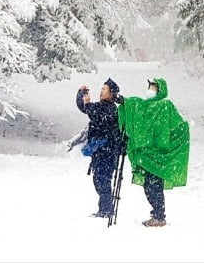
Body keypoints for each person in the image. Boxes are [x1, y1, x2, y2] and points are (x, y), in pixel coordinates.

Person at [117, 77, 190, 227]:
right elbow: (136, 105)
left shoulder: (165, 106)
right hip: (149, 155)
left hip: (159, 156)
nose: (150, 90)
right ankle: (157, 214)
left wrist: (170, 143)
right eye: (149, 87)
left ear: (160, 90)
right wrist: (123, 101)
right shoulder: (146, 106)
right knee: (148, 186)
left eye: (153, 87)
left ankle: (159, 216)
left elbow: (180, 126)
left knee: (154, 186)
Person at [76, 78, 122, 218]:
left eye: (104, 90)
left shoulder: (111, 108)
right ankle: (105, 208)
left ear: (111, 93)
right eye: (101, 89)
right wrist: (81, 94)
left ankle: (106, 209)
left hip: (107, 150)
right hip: (99, 151)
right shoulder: (100, 106)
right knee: (99, 179)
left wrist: (88, 105)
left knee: (103, 180)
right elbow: (85, 108)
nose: (101, 92)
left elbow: (99, 117)